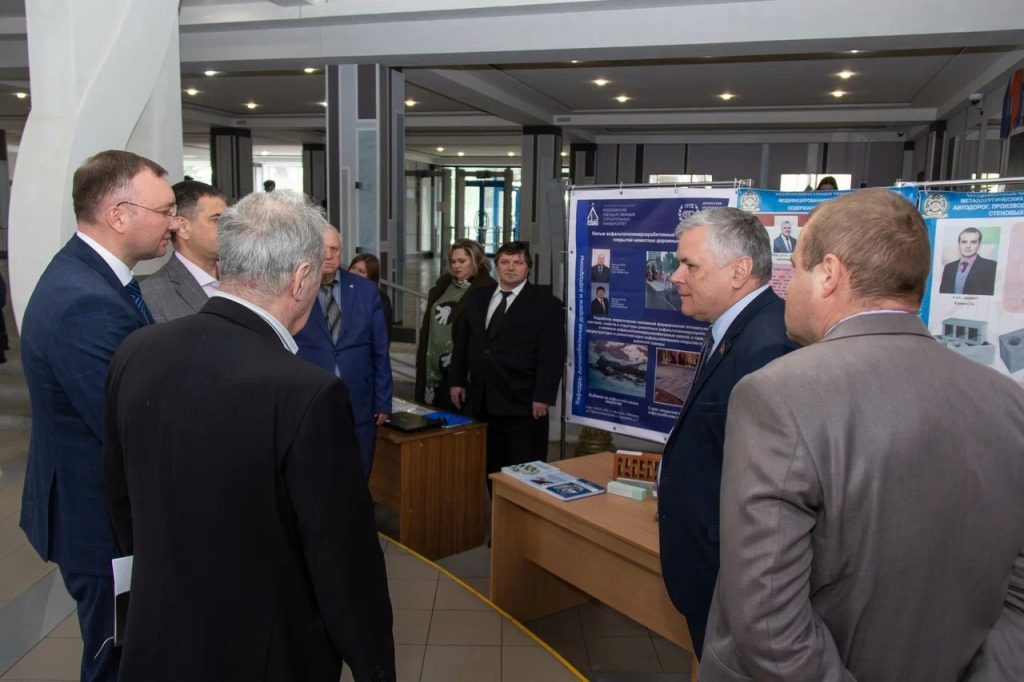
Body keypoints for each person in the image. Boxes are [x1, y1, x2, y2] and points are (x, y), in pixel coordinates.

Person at [701, 189, 1024, 681]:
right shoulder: (1008, 400)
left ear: (829, 274)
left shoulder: (778, 395)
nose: (788, 286)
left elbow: (768, 621)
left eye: (797, 268)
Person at [104, 189, 395, 682]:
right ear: (301, 278)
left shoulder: (137, 350)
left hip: (155, 639)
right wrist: (376, 670)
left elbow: (121, 499)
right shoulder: (308, 392)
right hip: (262, 654)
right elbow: (341, 559)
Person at [19, 150, 178, 682]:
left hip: (94, 511)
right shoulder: (85, 302)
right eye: (165, 211)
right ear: (118, 215)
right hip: (101, 525)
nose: (174, 223)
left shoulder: (91, 277)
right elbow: (130, 425)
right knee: (118, 661)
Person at [657, 207, 797, 658]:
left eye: (689, 265)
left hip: (731, 573)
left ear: (739, 272)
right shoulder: (737, 326)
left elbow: (772, 486)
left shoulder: (769, 345)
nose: (675, 276)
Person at [449, 241, 563, 476]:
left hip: (523, 404)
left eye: (518, 262)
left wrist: (543, 396)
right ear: (496, 266)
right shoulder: (477, 297)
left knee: (524, 471)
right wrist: (457, 380)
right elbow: (463, 343)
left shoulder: (546, 304)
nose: (511, 268)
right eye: (505, 262)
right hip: (483, 400)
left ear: (528, 268)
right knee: (490, 467)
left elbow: (552, 354)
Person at [294, 225, 392, 477]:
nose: (328, 255)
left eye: (334, 249)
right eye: (322, 249)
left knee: (358, 472)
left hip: (359, 401)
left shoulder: (365, 291)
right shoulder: (295, 288)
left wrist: (383, 400)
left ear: (342, 251)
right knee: (315, 475)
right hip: (310, 399)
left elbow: (380, 349)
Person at [414, 239, 494, 409]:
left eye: (462, 261)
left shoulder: (486, 290)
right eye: (453, 261)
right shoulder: (445, 283)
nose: (456, 266)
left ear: (476, 260)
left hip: (459, 371)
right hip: (432, 365)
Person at [141, 180, 227, 321]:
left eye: (229, 220)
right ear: (183, 228)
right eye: (216, 220)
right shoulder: (151, 296)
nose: (229, 228)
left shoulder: (248, 278)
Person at [348, 252, 394, 341]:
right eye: (353, 268)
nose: (354, 273)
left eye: (361, 271)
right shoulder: (340, 291)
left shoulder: (380, 299)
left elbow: (382, 336)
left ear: (371, 277)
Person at [939, 227, 998, 295]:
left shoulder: (991, 267)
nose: (968, 246)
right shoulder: (949, 267)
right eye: (964, 242)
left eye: (973, 242)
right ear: (959, 244)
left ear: (979, 244)